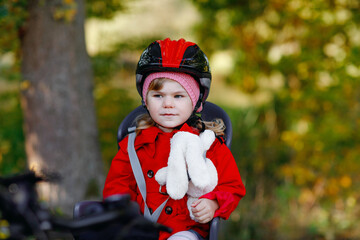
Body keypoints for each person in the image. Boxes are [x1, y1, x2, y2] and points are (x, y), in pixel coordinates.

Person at [103, 38, 246, 240]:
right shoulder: (133, 145)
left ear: (196, 102)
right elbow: (115, 190)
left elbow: (233, 188)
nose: (168, 104)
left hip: (186, 231)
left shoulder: (209, 144)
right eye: (158, 96)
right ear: (145, 100)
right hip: (140, 230)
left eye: (178, 96)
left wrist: (213, 203)